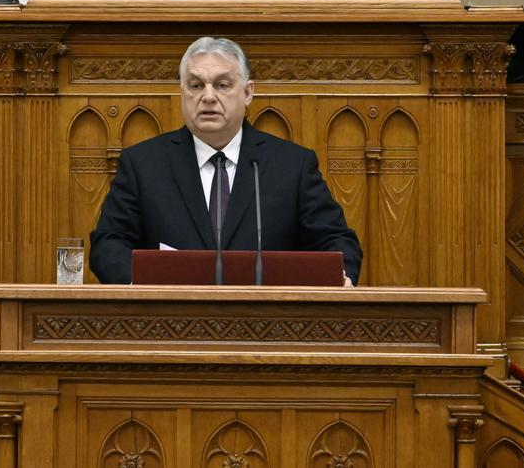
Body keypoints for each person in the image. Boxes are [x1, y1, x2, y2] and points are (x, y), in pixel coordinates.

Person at [90, 36, 362, 285]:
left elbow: (335, 240)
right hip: (171, 322)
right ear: (182, 92)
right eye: (196, 85)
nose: (208, 97)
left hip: (267, 325)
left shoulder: (291, 166)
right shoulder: (144, 164)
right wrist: (147, 285)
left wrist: (340, 276)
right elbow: (108, 244)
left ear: (247, 93)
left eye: (222, 85)